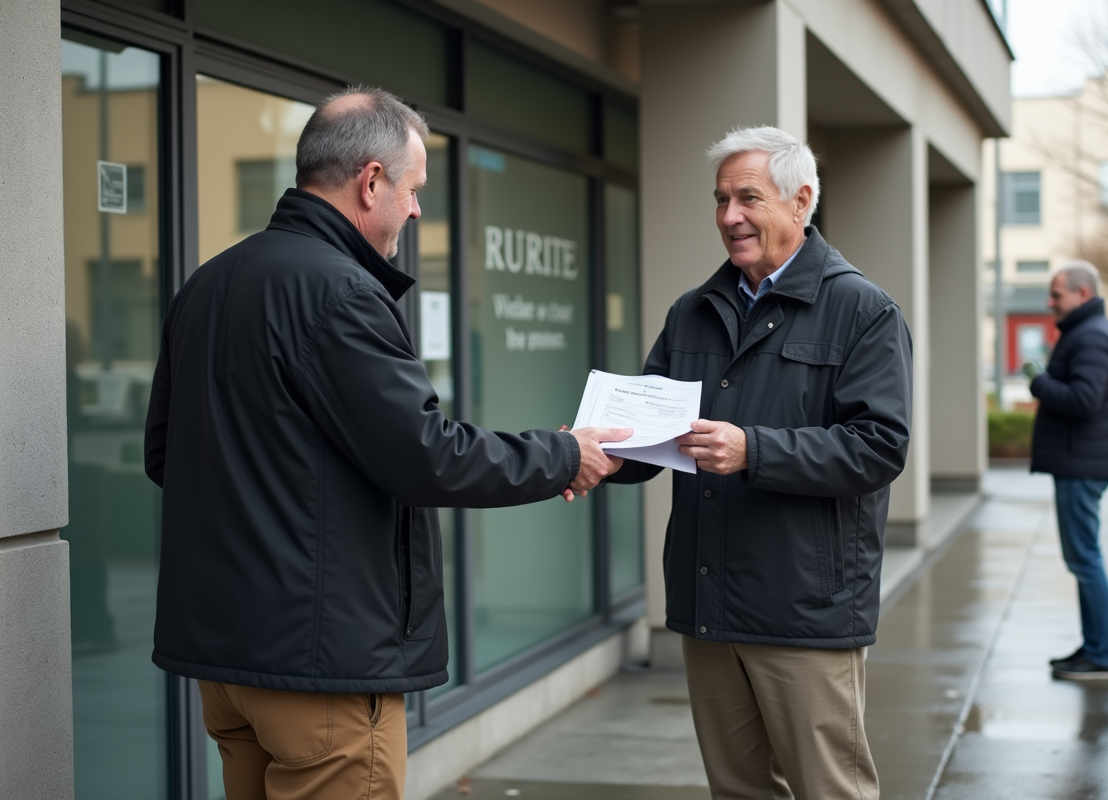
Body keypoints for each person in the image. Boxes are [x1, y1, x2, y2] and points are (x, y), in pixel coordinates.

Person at [144, 86, 628, 800]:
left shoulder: (206, 285)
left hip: (228, 667)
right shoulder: (340, 292)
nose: (416, 209)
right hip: (321, 671)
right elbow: (427, 455)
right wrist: (566, 455)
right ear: (371, 181)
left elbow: (166, 455)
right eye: (413, 189)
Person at [608, 126, 912, 800]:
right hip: (708, 602)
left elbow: (878, 447)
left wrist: (754, 450)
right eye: (720, 200)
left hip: (803, 610)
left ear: (801, 201)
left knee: (829, 790)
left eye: (748, 198)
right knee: (738, 791)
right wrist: (589, 452)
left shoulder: (863, 311)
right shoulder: (692, 312)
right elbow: (653, 432)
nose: (729, 217)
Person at [1025, 261, 1108, 680]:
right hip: (1080, 461)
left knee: (1084, 559)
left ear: (1083, 294)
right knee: (1083, 558)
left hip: (1081, 463)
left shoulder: (1091, 336)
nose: (1050, 303)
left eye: (1056, 294)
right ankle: (1096, 647)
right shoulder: (1087, 331)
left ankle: (1102, 655)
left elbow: (1084, 399)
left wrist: (1038, 380)